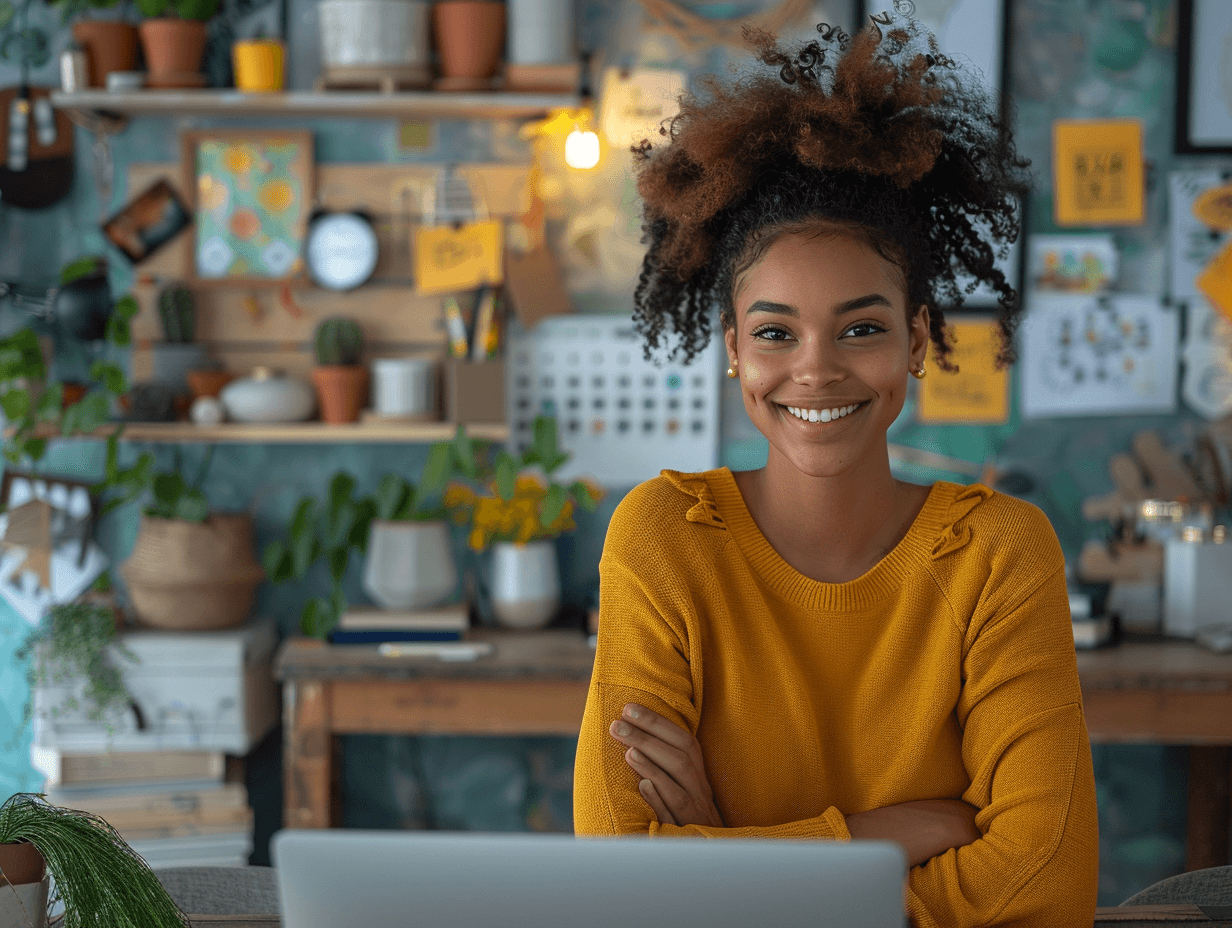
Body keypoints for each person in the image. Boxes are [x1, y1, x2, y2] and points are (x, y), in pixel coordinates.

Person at [572, 10, 1100, 928]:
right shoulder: (661, 539)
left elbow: (1043, 884)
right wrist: (880, 833)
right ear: (734, 347)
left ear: (920, 341)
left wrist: (719, 855)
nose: (815, 368)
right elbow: (623, 883)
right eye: (776, 332)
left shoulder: (1002, 555)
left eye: (862, 328)